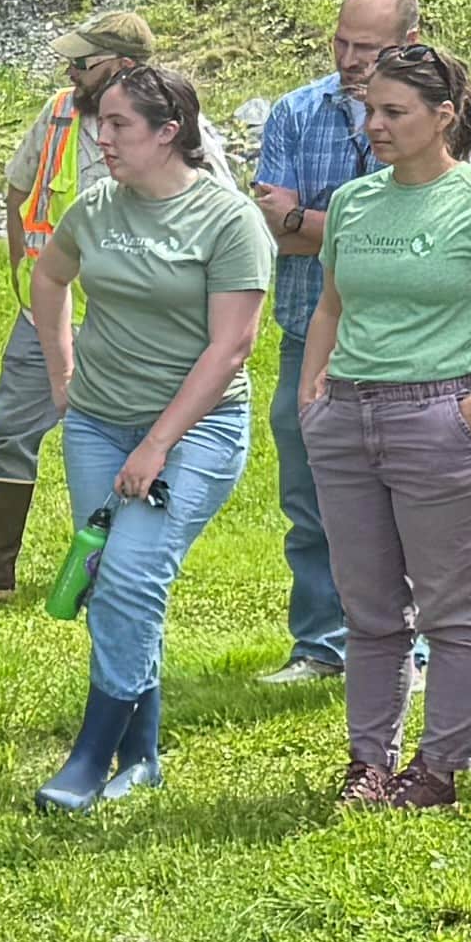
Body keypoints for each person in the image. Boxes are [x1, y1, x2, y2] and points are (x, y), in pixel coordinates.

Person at [299, 41, 471, 809]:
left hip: (439, 421)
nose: (373, 124)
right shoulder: (353, 202)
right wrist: (315, 391)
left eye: (393, 112)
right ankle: (368, 765)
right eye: (368, 110)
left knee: (453, 611)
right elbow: (332, 307)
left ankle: (437, 770)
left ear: (443, 117)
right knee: (368, 610)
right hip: (347, 422)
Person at [21, 59, 275, 808]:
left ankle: (91, 756)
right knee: (113, 585)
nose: (102, 138)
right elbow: (48, 277)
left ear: (170, 133)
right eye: (101, 123)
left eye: (121, 125)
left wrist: (158, 442)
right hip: (99, 423)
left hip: (196, 433)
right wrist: (64, 377)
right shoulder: (96, 208)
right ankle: (144, 757)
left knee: (131, 573)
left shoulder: (228, 221)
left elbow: (232, 345)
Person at [0, 6, 160, 602]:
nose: (72, 73)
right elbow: (17, 192)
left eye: (84, 63)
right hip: (46, 316)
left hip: (130, 324)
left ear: (125, 68)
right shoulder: (57, 114)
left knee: (123, 441)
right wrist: (24, 278)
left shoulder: (173, 124)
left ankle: (116, 576)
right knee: (10, 431)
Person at [250, 0, 421, 688]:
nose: (350, 59)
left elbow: (430, 231)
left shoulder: (434, 115)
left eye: (368, 47)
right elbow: (272, 225)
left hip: (407, 346)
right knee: (310, 498)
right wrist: (357, 230)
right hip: (306, 335)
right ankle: (321, 645)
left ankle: (410, 650)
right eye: (341, 43)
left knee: (406, 502)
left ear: (409, 45)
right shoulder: (294, 112)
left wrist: (308, 222)